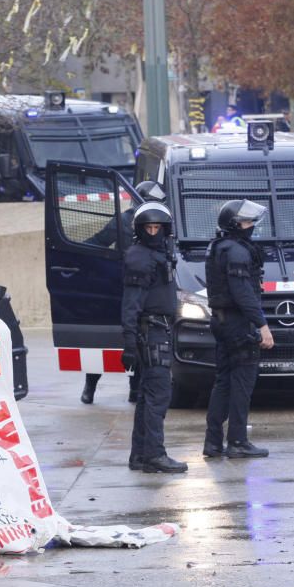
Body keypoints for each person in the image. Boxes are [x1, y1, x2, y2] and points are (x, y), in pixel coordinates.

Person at [81, 181, 167, 406]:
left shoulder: (125, 220)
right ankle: (129, 389)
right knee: (138, 339)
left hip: (118, 288)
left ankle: (93, 388)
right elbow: (97, 244)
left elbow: (94, 245)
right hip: (132, 291)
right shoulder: (141, 222)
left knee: (118, 340)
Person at [203, 199, 274, 460]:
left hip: (220, 322)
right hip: (237, 325)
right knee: (242, 383)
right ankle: (238, 441)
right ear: (234, 225)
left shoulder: (218, 247)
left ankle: (212, 443)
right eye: (246, 222)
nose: (251, 226)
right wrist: (262, 326)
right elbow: (244, 294)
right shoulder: (237, 252)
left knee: (222, 382)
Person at [121, 201, 187, 473]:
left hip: (158, 329)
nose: (153, 232)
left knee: (148, 397)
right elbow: (131, 303)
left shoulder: (159, 254)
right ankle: (154, 455)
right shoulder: (140, 257)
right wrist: (129, 342)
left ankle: (140, 455)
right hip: (151, 332)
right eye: (148, 227)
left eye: (157, 227)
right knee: (158, 395)